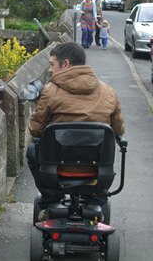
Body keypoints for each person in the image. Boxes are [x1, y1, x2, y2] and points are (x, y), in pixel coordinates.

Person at [26, 42, 125, 209]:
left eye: (52, 64)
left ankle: (51, 198)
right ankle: (96, 199)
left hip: (56, 169)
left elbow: (36, 130)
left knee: (32, 151)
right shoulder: (109, 92)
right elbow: (119, 130)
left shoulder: (49, 91)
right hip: (98, 171)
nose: (50, 70)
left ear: (65, 64)